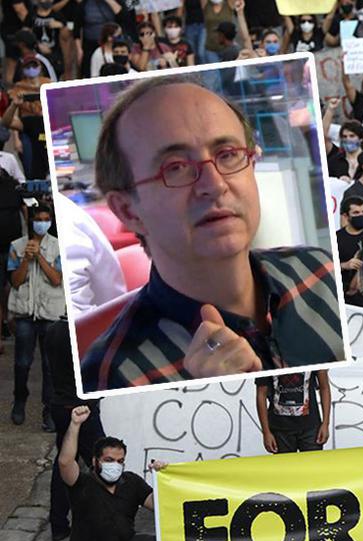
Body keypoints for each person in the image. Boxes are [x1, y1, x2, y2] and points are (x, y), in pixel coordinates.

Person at [82, 76, 346, 392]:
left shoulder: (322, 272)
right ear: (128, 211)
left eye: (227, 154)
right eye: (175, 167)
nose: (215, 184)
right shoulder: (113, 378)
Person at [59, 406, 165, 541]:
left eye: (120, 461)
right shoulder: (81, 484)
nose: (114, 465)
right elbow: (65, 462)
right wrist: (75, 425)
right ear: (95, 461)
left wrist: (162, 477)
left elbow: (159, 504)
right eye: (109, 460)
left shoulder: (131, 481)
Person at [46, 319, 103, 541]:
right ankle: (107, 519)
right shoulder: (82, 332)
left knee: (63, 462)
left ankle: (58, 523)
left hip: (61, 405)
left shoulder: (53, 330)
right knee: (103, 463)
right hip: (82, 407)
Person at [8, 203, 62, 429]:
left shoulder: (59, 246)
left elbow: (56, 279)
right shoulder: (17, 246)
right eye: (38, 219)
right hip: (25, 315)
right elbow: (15, 281)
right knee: (22, 363)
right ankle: (19, 401)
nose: (42, 223)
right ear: (31, 222)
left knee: (50, 366)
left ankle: (48, 411)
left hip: (50, 313)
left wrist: (39, 256)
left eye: (46, 218)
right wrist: (26, 260)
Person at [255, 370, 332, 453]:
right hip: (280, 429)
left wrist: (325, 424)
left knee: (313, 465)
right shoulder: (267, 359)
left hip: (311, 428)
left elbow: (324, 387)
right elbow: (261, 393)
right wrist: (266, 432)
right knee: (285, 466)